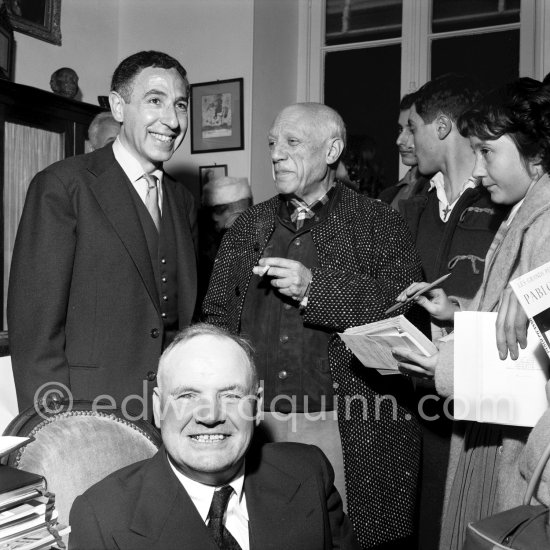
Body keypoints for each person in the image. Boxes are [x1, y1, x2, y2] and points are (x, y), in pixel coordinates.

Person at [203, 102, 423, 549]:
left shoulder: (380, 224)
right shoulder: (248, 227)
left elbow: (404, 316)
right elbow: (216, 319)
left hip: (345, 428)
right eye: (272, 144)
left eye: (292, 143)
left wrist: (314, 290)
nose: (277, 154)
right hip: (256, 426)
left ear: (332, 150)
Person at [393, 77, 550, 550]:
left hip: (516, 449)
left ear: (536, 155)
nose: (479, 171)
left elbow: (526, 363)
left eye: (489, 153)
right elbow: (511, 320)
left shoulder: (544, 224)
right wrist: (458, 311)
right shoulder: (527, 214)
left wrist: (440, 364)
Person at [8, 50, 198, 418]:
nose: (172, 120)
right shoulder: (62, 187)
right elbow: (35, 332)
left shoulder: (182, 200)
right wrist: (55, 429)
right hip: (88, 417)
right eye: (155, 101)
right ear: (118, 106)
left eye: (180, 104)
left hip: (169, 416)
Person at [69, 323, 360, 550]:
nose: (210, 416)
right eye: (187, 395)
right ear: (158, 408)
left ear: (256, 407)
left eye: (231, 395)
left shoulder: (308, 471)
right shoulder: (102, 518)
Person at [378, 91, 430, 211]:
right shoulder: (389, 195)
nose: (399, 140)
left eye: (411, 129)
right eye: (400, 129)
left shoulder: (439, 194)